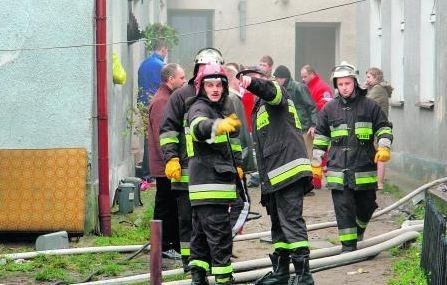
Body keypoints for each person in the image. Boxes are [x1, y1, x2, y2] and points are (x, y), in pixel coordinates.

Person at [237, 68, 315, 285]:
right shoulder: (259, 107)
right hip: (274, 175)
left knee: (291, 221)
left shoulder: (275, 93)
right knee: (278, 225)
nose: (253, 84)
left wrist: (252, 82)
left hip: (288, 170)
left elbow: (270, 91)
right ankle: (281, 272)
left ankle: (303, 276)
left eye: (256, 79)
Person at [312, 62, 393, 252]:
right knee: (344, 209)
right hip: (338, 169)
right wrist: (316, 163)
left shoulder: (370, 106)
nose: (344, 88)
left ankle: (358, 233)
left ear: (355, 83)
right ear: (336, 86)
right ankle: (348, 248)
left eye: (347, 83)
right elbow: (321, 136)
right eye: (340, 84)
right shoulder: (329, 109)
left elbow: (384, 127)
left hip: (364, 167)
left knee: (367, 205)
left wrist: (384, 146)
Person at [160, 47, 225, 272]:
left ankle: (211, 259)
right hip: (186, 170)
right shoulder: (181, 96)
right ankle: (191, 263)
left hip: (214, 173)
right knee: (187, 219)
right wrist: (171, 158)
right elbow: (168, 129)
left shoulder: (223, 99)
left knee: (214, 221)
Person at [187, 63, 242, 285]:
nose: (215, 88)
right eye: (210, 84)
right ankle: (224, 280)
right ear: (201, 87)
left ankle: (198, 277)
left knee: (200, 236)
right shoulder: (200, 108)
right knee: (220, 238)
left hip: (207, 187)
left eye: (219, 84)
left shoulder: (219, 107)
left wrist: (237, 166)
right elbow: (198, 128)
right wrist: (217, 126)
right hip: (211, 186)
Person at [148, 63, 186, 259]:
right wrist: (171, 159)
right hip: (165, 166)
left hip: (167, 164)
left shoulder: (167, 98)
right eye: (181, 78)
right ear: (170, 79)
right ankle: (164, 245)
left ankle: (167, 243)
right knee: (166, 205)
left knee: (169, 204)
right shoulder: (162, 101)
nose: (184, 81)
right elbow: (161, 135)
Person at [137, 40, 169, 182]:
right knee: (155, 137)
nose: (166, 54)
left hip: (143, 103)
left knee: (147, 137)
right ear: (162, 50)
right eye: (166, 51)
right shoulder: (161, 66)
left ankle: (146, 170)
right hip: (155, 104)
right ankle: (150, 172)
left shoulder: (144, 63)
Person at [300, 64, 333, 189]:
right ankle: (316, 181)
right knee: (315, 154)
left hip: (321, 125)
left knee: (321, 153)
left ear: (312, 74)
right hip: (311, 126)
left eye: (305, 76)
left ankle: (328, 180)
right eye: (302, 77)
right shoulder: (306, 87)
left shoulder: (322, 87)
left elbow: (325, 106)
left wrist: (314, 120)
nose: (303, 79)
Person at [273, 65, 317, 157]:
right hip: (291, 131)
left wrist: (313, 125)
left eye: (277, 78)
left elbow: (311, 107)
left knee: (308, 158)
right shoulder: (280, 90)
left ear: (283, 78)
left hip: (304, 130)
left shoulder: (299, 87)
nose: (276, 81)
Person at [364, 67, 393, 190]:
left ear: (376, 77)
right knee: (377, 153)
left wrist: (363, 89)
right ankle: (376, 181)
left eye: (369, 77)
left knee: (380, 154)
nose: (367, 80)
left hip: (378, 125)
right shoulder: (377, 88)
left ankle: (379, 183)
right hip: (377, 124)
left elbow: (365, 103)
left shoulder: (377, 89)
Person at [224, 64, 256, 174]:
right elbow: (240, 133)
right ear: (235, 80)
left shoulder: (230, 98)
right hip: (238, 157)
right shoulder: (233, 99)